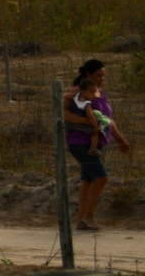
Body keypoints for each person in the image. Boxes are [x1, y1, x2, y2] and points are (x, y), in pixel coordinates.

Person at [64, 59, 131, 231]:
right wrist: (85, 121)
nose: (102, 79)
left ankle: (81, 221)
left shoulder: (98, 92)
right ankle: (88, 217)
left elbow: (107, 120)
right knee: (101, 177)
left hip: (96, 142)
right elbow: (62, 111)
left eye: (103, 76)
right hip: (81, 142)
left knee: (88, 180)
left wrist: (121, 140)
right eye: (98, 75)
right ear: (88, 75)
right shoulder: (78, 92)